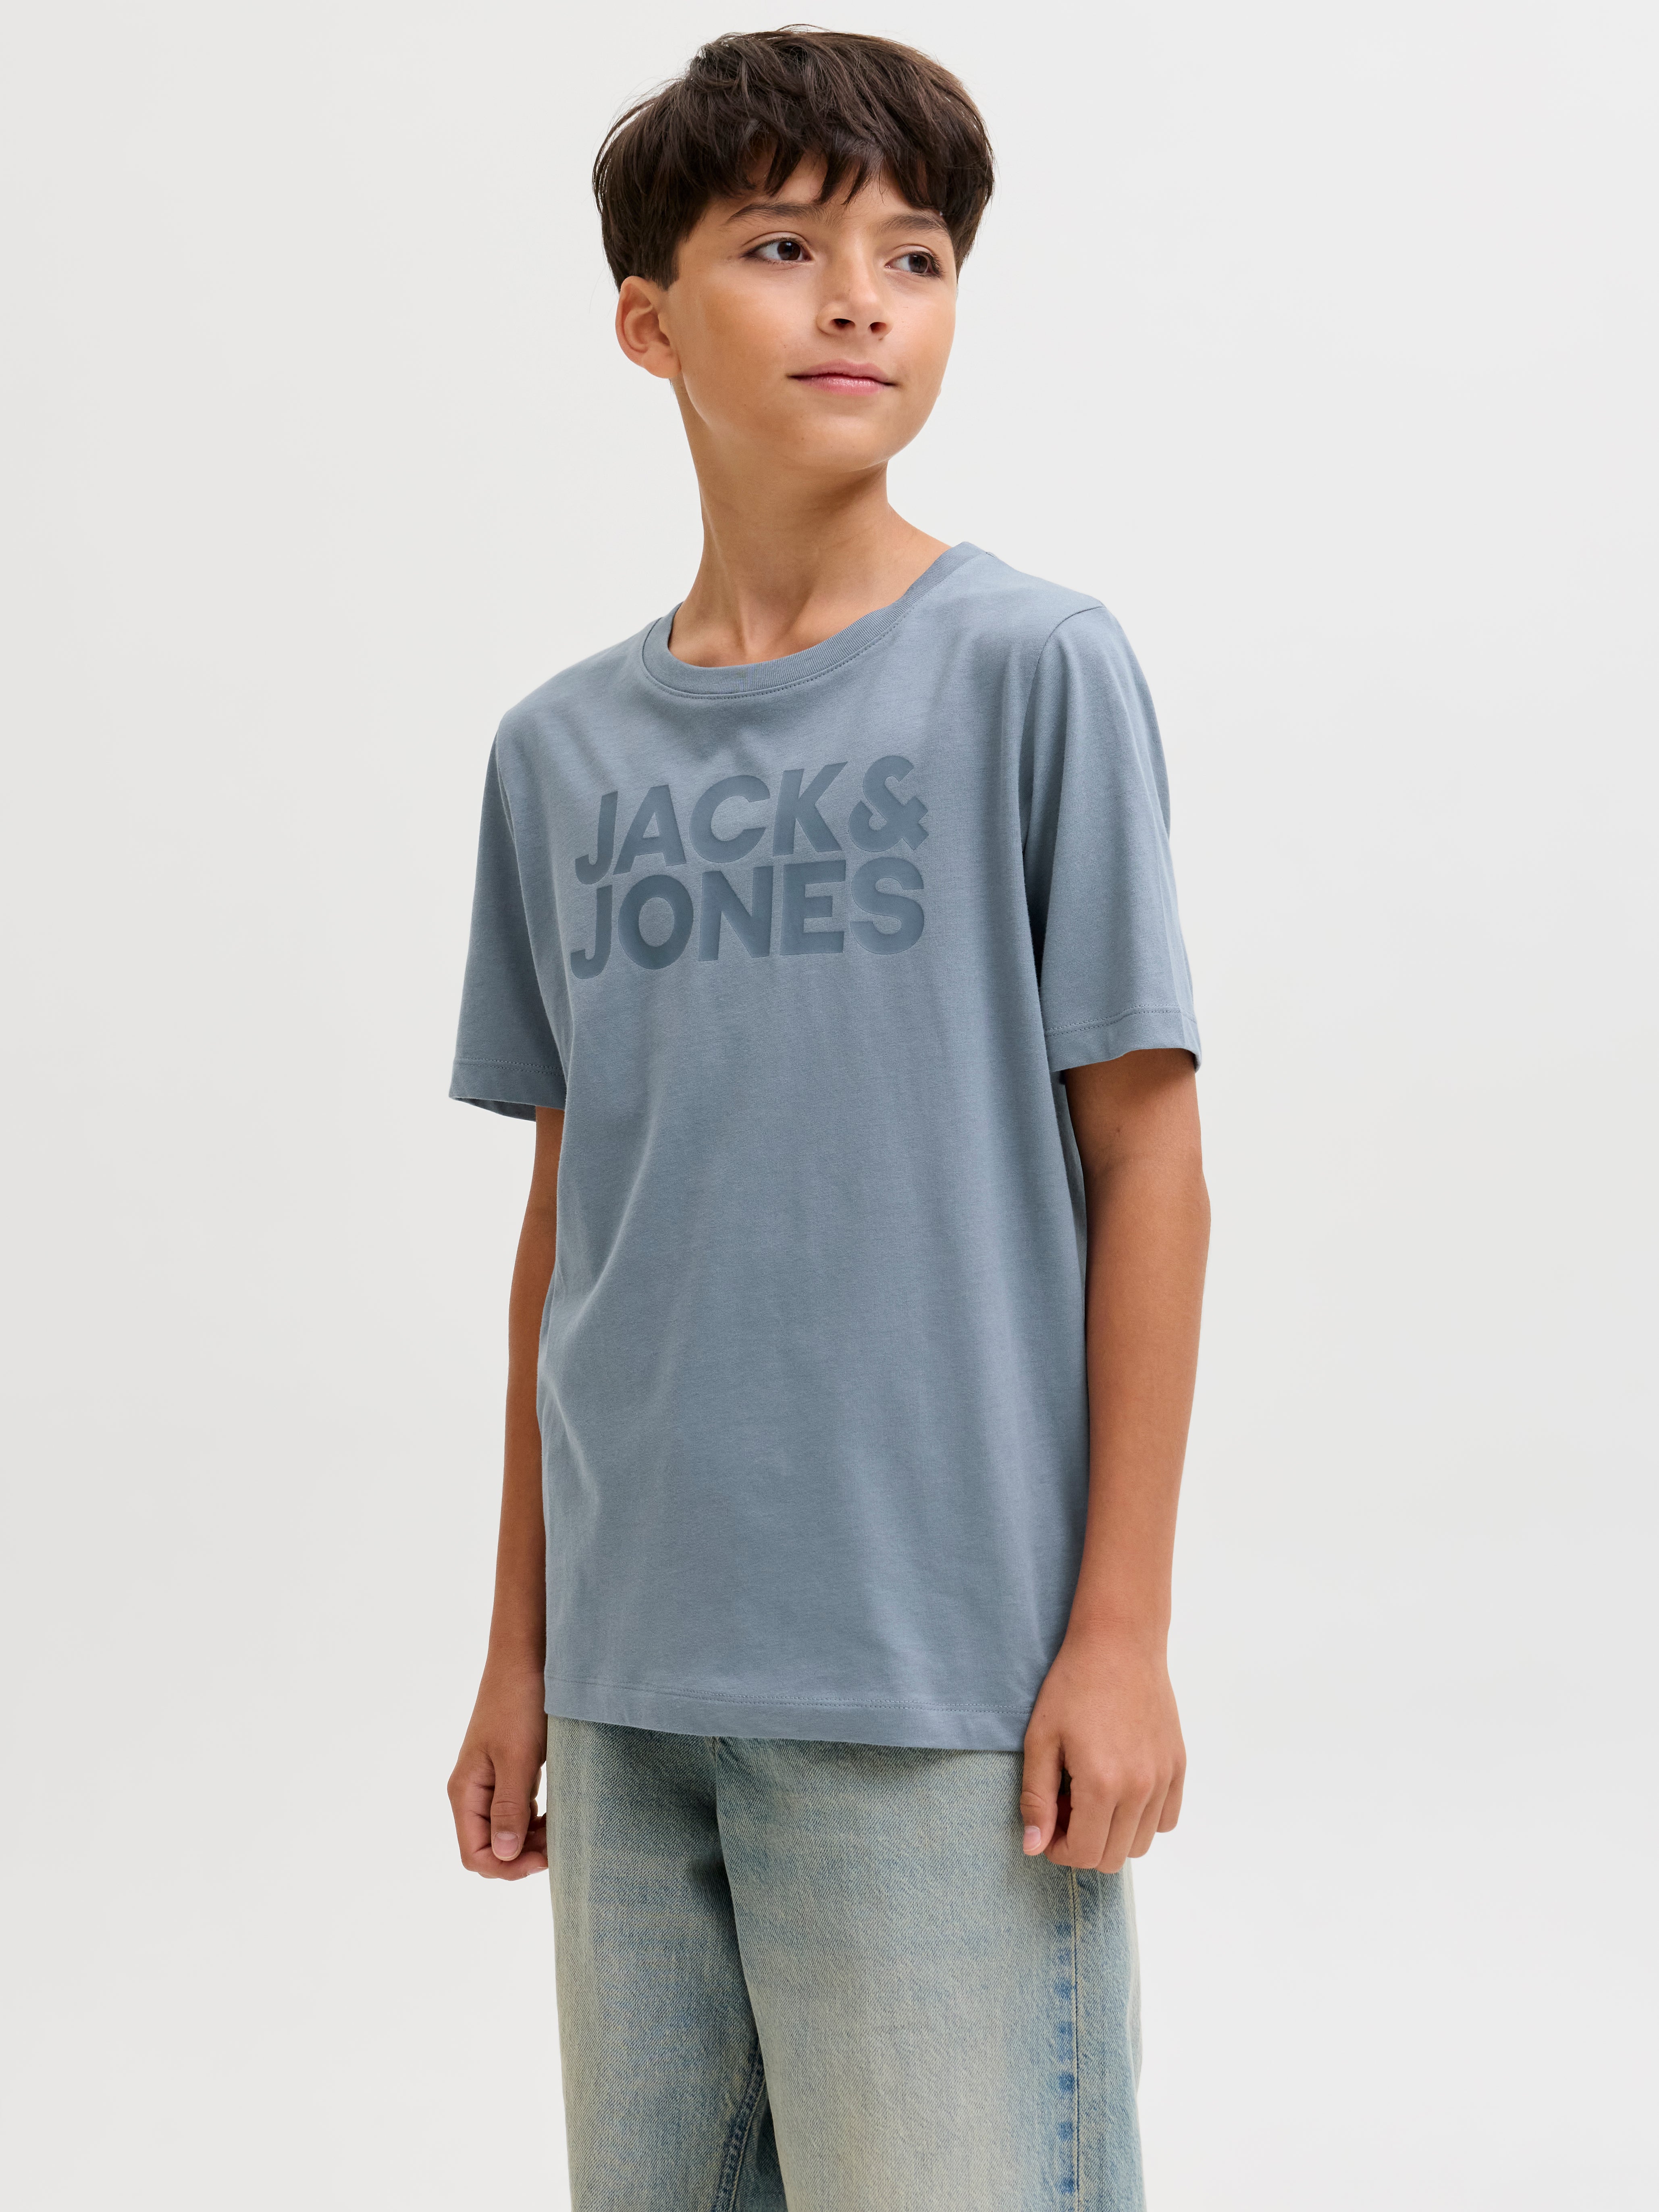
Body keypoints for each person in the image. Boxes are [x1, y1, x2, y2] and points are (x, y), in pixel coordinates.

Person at [445, 27, 1208, 2211]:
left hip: (939, 1678)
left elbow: (1148, 1161)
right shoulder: (557, 756)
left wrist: (1120, 1633)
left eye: (915, 254)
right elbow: (572, 1220)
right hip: (634, 1692)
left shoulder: (1031, 670)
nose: (860, 299)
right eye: (782, 248)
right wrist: (520, 1653)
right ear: (648, 322)